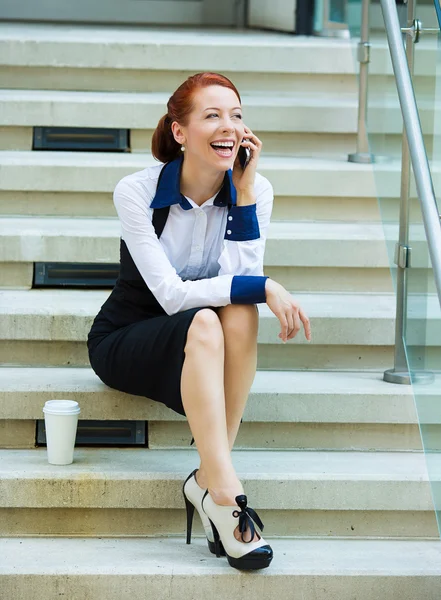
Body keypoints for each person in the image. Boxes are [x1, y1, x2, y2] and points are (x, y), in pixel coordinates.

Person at [87, 72, 311, 571]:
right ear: (180, 132)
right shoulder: (137, 191)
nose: (228, 126)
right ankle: (225, 490)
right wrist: (267, 285)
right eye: (212, 115)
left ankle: (212, 482)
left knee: (235, 311)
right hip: (128, 336)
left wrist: (245, 195)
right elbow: (170, 297)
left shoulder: (256, 189)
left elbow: (237, 283)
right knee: (210, 318)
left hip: (203, 340)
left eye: (236, 114)